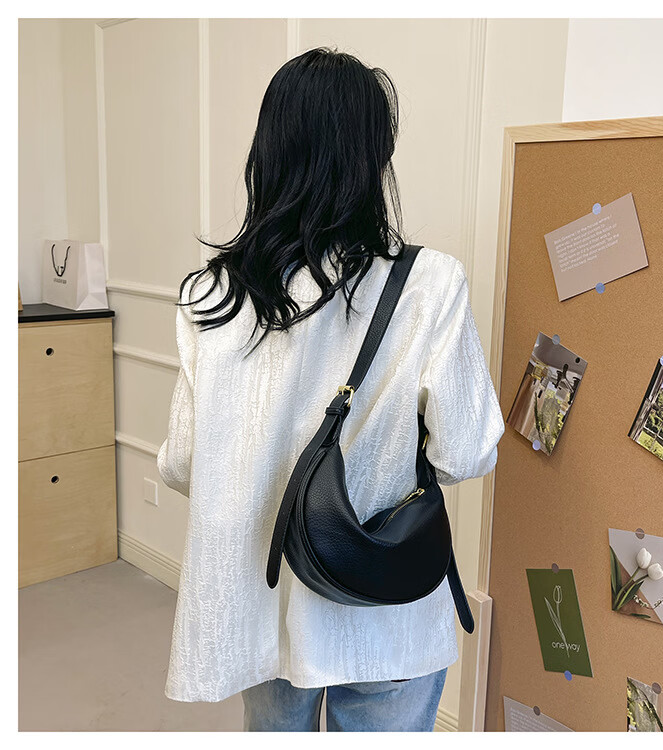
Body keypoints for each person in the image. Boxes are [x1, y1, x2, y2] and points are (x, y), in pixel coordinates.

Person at [157, 47, 504, 732]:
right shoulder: (429, 284)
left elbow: (183, 462)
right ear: (373, 159)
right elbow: (466, 452)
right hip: (383, 600)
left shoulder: (211, 294)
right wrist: (386, 457)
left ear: (268, 152)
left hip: (263, 604)